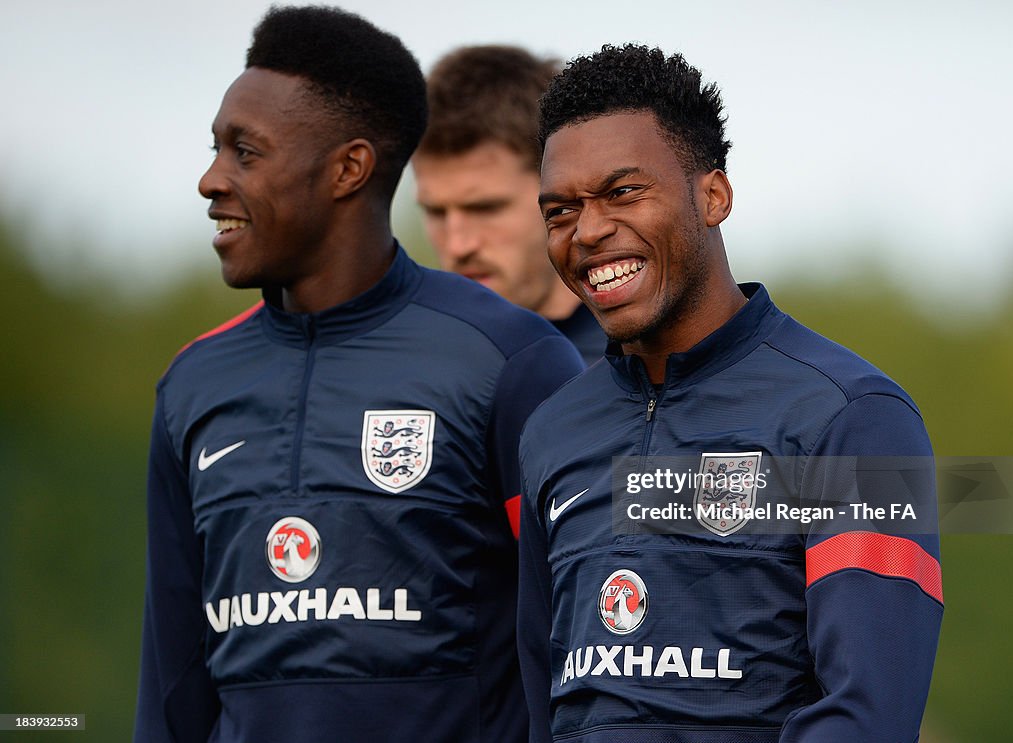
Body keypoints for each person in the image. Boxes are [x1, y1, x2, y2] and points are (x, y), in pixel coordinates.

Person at [134, 7, 583, 743]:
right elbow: (171, 685)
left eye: (245, 152)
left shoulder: (513, 361)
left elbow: (583, 646)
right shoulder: (192, 382)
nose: (211, 179)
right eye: (216, 148)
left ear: (349, 168)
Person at [517, 44, 943, 742]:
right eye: (560, 210)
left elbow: (868, 713)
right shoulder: (550, 429)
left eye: (623, 191)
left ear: (713, 195)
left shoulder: (851, 415)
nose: (587, 231)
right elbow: (543, 703)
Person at [412, 46, 607, 364]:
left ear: (561, 195)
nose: (459, 244)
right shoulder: (408, 366)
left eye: (485, 209)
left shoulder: (647, 368)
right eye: (436, 212)